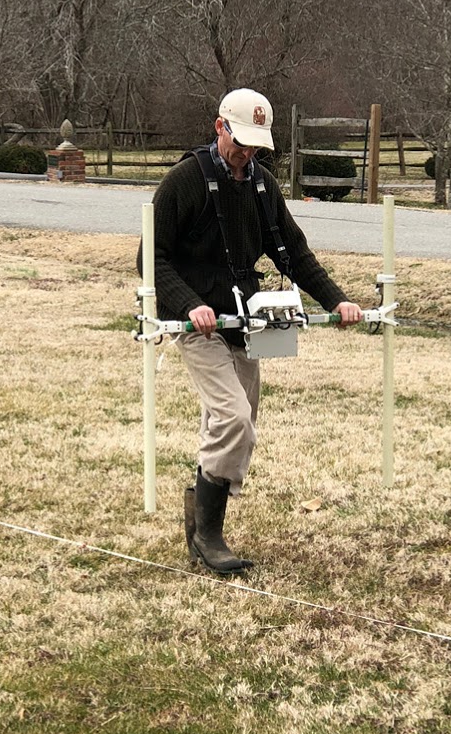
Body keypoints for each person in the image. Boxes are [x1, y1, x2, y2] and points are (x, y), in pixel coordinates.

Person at [149, 87, 362, 574]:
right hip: (197, 325)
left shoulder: (262, 186)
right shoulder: (184, 182)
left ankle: (200, 518)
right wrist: (191, 305)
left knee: (237, 426)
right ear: (219, 127)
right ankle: (209, 537)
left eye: (254, 146)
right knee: (232, 420)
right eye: (240, 142)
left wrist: (337, 299)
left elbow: (295, 251)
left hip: (246, 322)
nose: (246, 155)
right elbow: (152, 259)